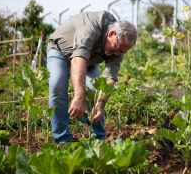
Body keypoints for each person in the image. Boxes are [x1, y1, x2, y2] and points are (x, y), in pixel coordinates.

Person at [47, 11, 137, 143]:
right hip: (60, 51)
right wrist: (79, 96)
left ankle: (98, 140)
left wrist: (100, 105)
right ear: (112, 34)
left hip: (89, 61)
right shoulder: (90, 27)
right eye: (117, 48)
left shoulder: (119, 46)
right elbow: (78, 59)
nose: (118, 53)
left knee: (95, 92)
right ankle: (63, 139)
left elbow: (109, 78)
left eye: (122, 51)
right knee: (57, 85)